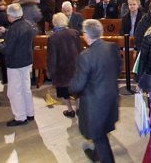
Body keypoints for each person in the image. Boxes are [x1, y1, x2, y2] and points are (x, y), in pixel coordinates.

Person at [69, 19, 121, 163]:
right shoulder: (112, 47)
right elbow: (118, 70)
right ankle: (95, 155)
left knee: (99, 137)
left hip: (95, 104)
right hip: (111, 97)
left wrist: (69, 85)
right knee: (103, 131)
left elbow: (77, 85)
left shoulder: (85, 56)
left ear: (86, 35)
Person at [0, 2, 36, 126]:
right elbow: (19, 35)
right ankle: (30, 113)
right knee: (26, 89)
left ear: (10, 16)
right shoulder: (27, 24)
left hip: (15, 63)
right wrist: (6, 31)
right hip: (27, 61)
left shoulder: (14, 29)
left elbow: (8, 50)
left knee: (14, 91)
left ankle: (20, 117)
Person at [47, 12, 82, 117]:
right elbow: (79, 49)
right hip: (75, 65)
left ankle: (70, 109)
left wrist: (51, 71)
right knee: (78, 90)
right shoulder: (74, 33)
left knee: (64, 91)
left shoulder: (52, 38)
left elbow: (52, 57)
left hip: (61, 69)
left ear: (54, 23)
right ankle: (79, 108)